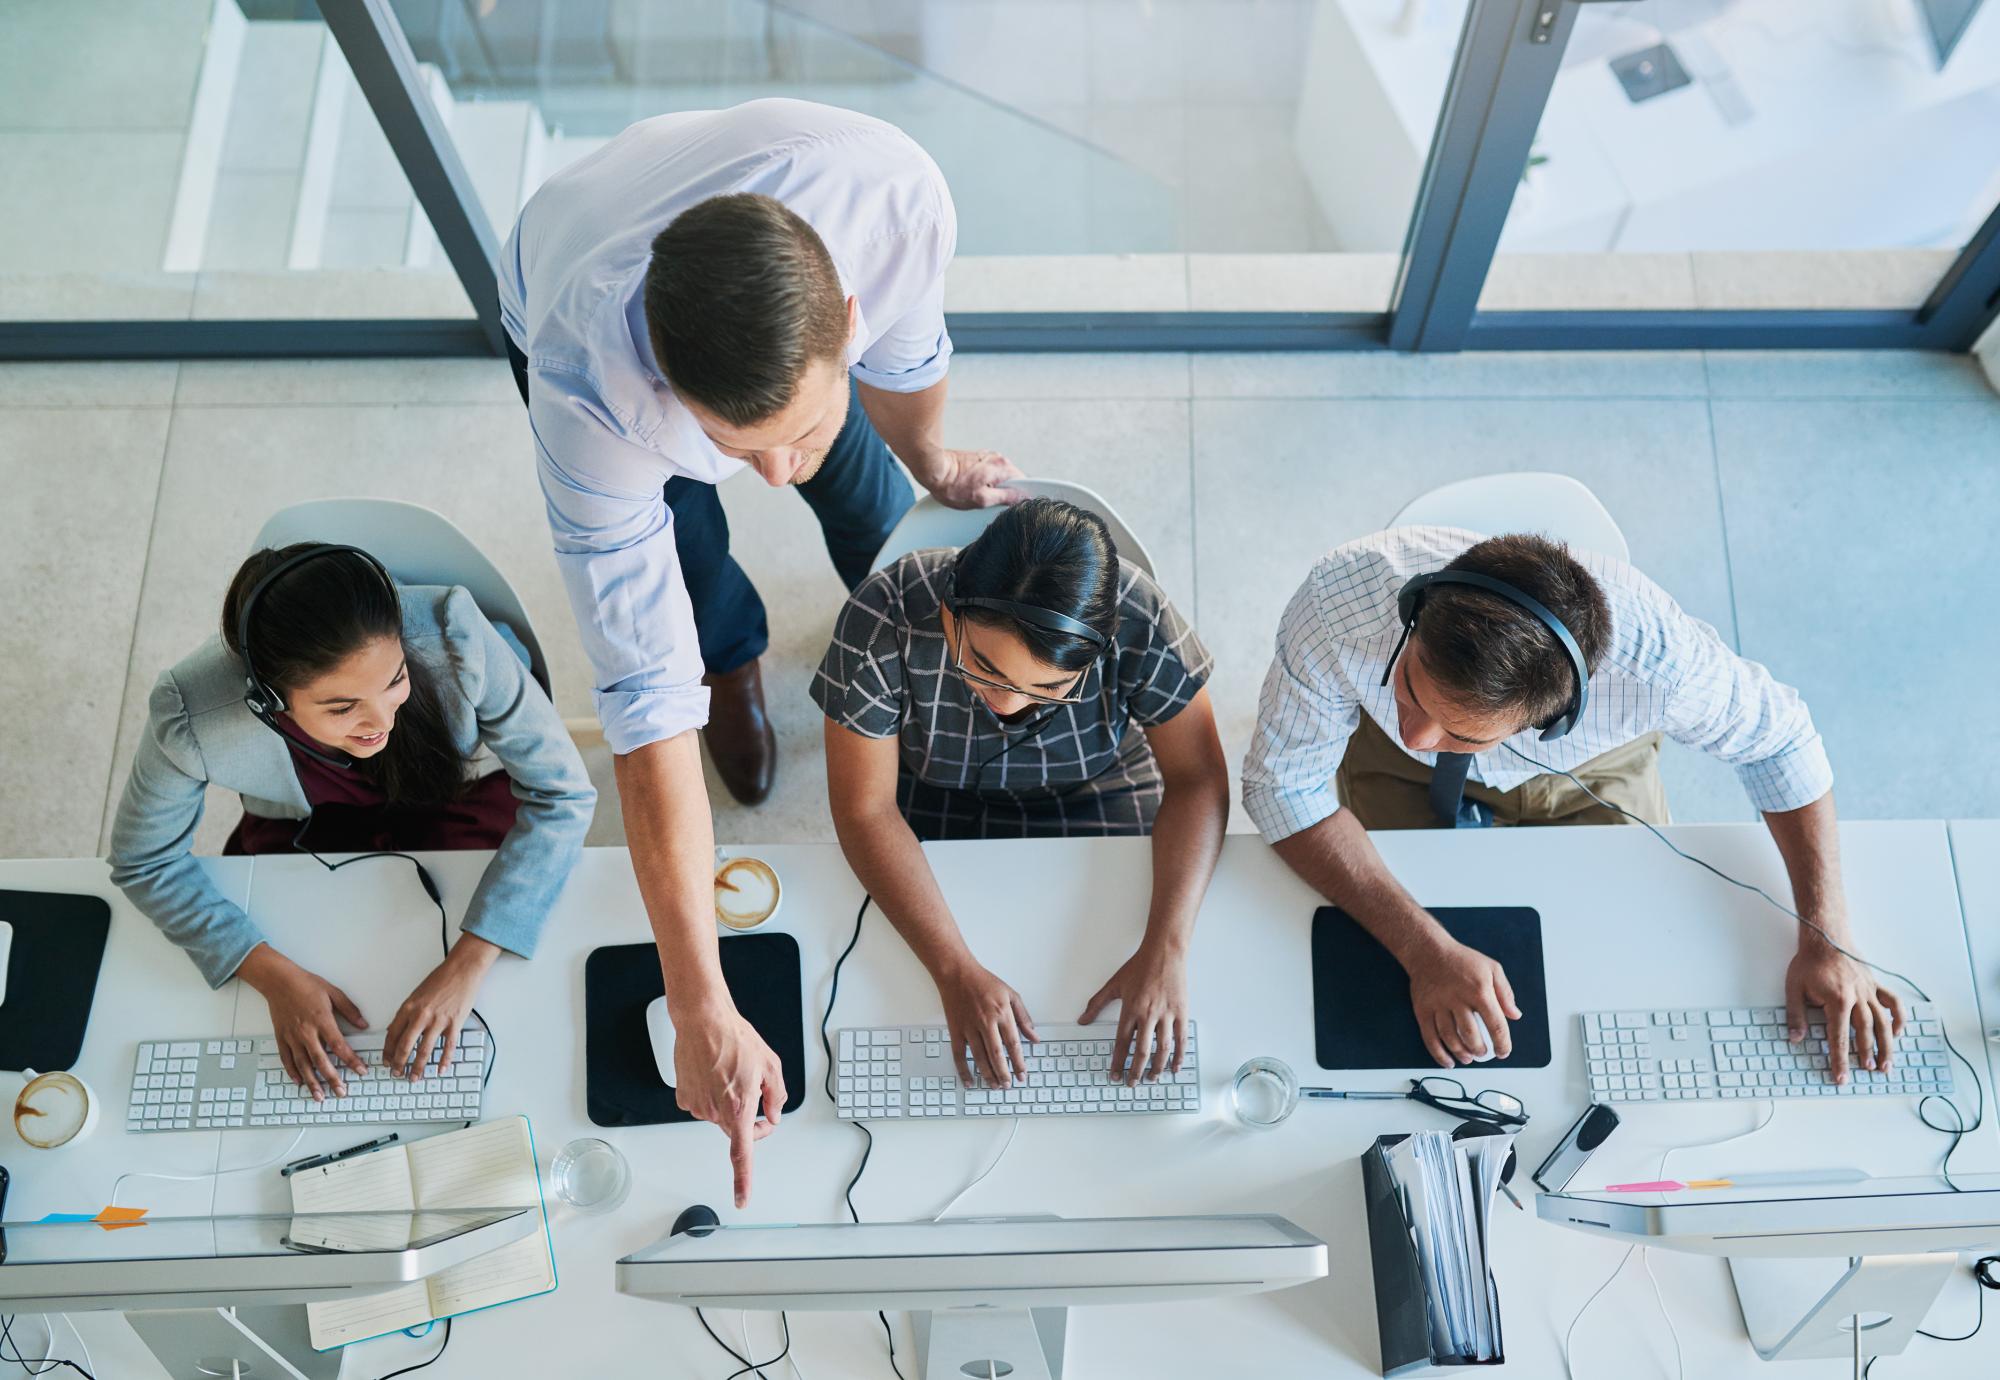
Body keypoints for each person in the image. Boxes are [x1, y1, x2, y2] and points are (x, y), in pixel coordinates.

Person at [499, 98, 1021, 1203]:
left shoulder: (890, 197)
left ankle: (892, 641)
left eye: (793, 431)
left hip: (781, 246)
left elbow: (908, 348)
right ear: (670, 390)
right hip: (562, 257)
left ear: (842, 309)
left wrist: (925, 457)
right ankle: (736, 658)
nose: (773, 474)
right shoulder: (588, 394)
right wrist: (700, 1002)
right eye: (744, 448)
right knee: (685, 555)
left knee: (870, 500)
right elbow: (645, 710)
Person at [1244, 525, 1901, 1083]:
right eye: (1414, 685)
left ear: (1553, 717)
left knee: (1625, 957)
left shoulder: (1662, 667)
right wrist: (1424, 949)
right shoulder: (1339, 606)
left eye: (1461, 730)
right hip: (1386, 762)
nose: (1421, 735)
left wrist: (1828, 935)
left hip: (1591, 770)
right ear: (1415, 615)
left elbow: (1781, 742)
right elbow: (1284, 789)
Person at [109, 544, 595, 1100]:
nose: (381, 721)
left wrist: (468, 961)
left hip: (457, 796)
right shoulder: (189, 713)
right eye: (341, 708)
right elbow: (143, 860)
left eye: (395, 680)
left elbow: (563, 793)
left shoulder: (453, 632)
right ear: (269, 699)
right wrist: (269, 973)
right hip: (309, 822)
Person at [814, 498, 1230, 1089]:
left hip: (1099, 786)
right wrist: (954, 971)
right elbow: (864, 807)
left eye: (1050, 688)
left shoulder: (1140, 614)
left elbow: (1199, 779)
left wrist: (1168, 947)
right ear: (949, 610)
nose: (1007, 704)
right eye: (984, 667)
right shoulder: (882, 616)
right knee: (899, 988)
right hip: (937, 793)